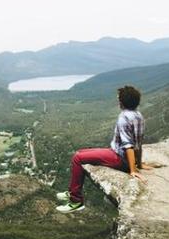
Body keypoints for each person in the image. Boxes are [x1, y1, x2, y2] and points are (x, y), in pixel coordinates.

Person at [55, 85, 152, 213]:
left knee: (77, 158)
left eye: (119, 99)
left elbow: (129, 145)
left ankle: (75, 201)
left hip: (118, 157)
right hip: (122, 157)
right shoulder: (139, 116)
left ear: (122, 102)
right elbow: (138, 143)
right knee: (81, 152)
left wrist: (133, 170)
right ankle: (72, 190)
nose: (118, 101)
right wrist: (138, 163)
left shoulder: (123, 118)